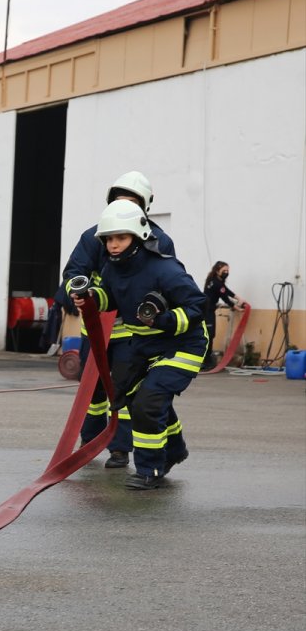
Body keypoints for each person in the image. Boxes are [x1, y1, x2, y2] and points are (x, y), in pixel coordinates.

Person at [71, 199, 207, 490]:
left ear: (139, 236)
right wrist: (92, 298)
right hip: (144, 345)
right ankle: (175, 449)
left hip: (184, 344)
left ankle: (150, 469)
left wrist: (165, 320)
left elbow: (198, 306)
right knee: (126, 396)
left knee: (148, 401)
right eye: (108, 239)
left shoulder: (164, 269)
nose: (113, 245)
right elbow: (109, 297)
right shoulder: (111, 269)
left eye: (120, 237)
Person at [58, 171, 176, 469]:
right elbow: (73, 273)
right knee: (93, 392)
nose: (124, 206)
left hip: (135, 334)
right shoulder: (94, 236)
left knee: (123, 390)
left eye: (131, 201)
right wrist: (80, 290)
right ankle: (90, 439)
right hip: (96, 329)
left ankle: (119, 448)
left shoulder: (159, 240)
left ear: (144, 205)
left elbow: (170, 285)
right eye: (119, 200)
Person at [201, 261, 245, 370]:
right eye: (224, 271)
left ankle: (206, 361)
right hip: (207, 312)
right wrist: (237, 307)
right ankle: (206, 362)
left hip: (207, 310)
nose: (226, 273)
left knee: (209, 336)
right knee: (209, 336)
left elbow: (226, 291)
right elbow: (225, 296)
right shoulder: (216, 283)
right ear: (217, 271)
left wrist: (238, 299)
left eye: (227, 271)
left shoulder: (213, 280)